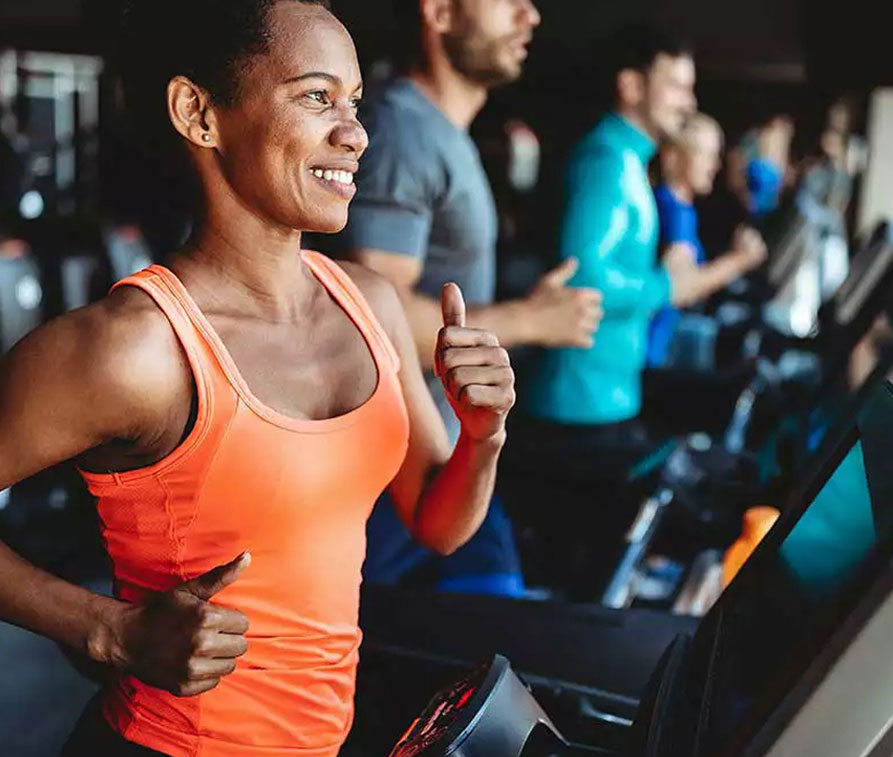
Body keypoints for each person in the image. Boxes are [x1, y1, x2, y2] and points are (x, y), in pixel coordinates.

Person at [0, 2, 515, 755]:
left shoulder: (366, 302)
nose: (356, 132)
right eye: (315, 97)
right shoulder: (135, 349)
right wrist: (107, 629)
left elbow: (439, 523)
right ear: (199, 114)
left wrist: (483, 434)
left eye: (354, 102)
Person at [323, 0, 601, 595]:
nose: (530, 17)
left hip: (448, 463)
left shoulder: (441, 131)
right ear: (441, 14)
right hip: (400, 484)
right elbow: (374, 315)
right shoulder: (402, 131)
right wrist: (529, 320)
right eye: (508, 3)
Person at [522, 24, 698, 466]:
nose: (688, 103)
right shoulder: (607, 161)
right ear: (632, 85)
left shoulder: (628, 159)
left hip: (602, 396)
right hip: (582, 402)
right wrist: (666, 284)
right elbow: (584, 277)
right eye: (676, 86)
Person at [648, 113, 768, 367]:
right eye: (705, 154)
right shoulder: (672, 211)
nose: (714, 165)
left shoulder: (683, 209)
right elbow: (680, 291)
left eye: (716, 156)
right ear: (673, 157)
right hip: (654, 355)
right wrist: (739, 260)